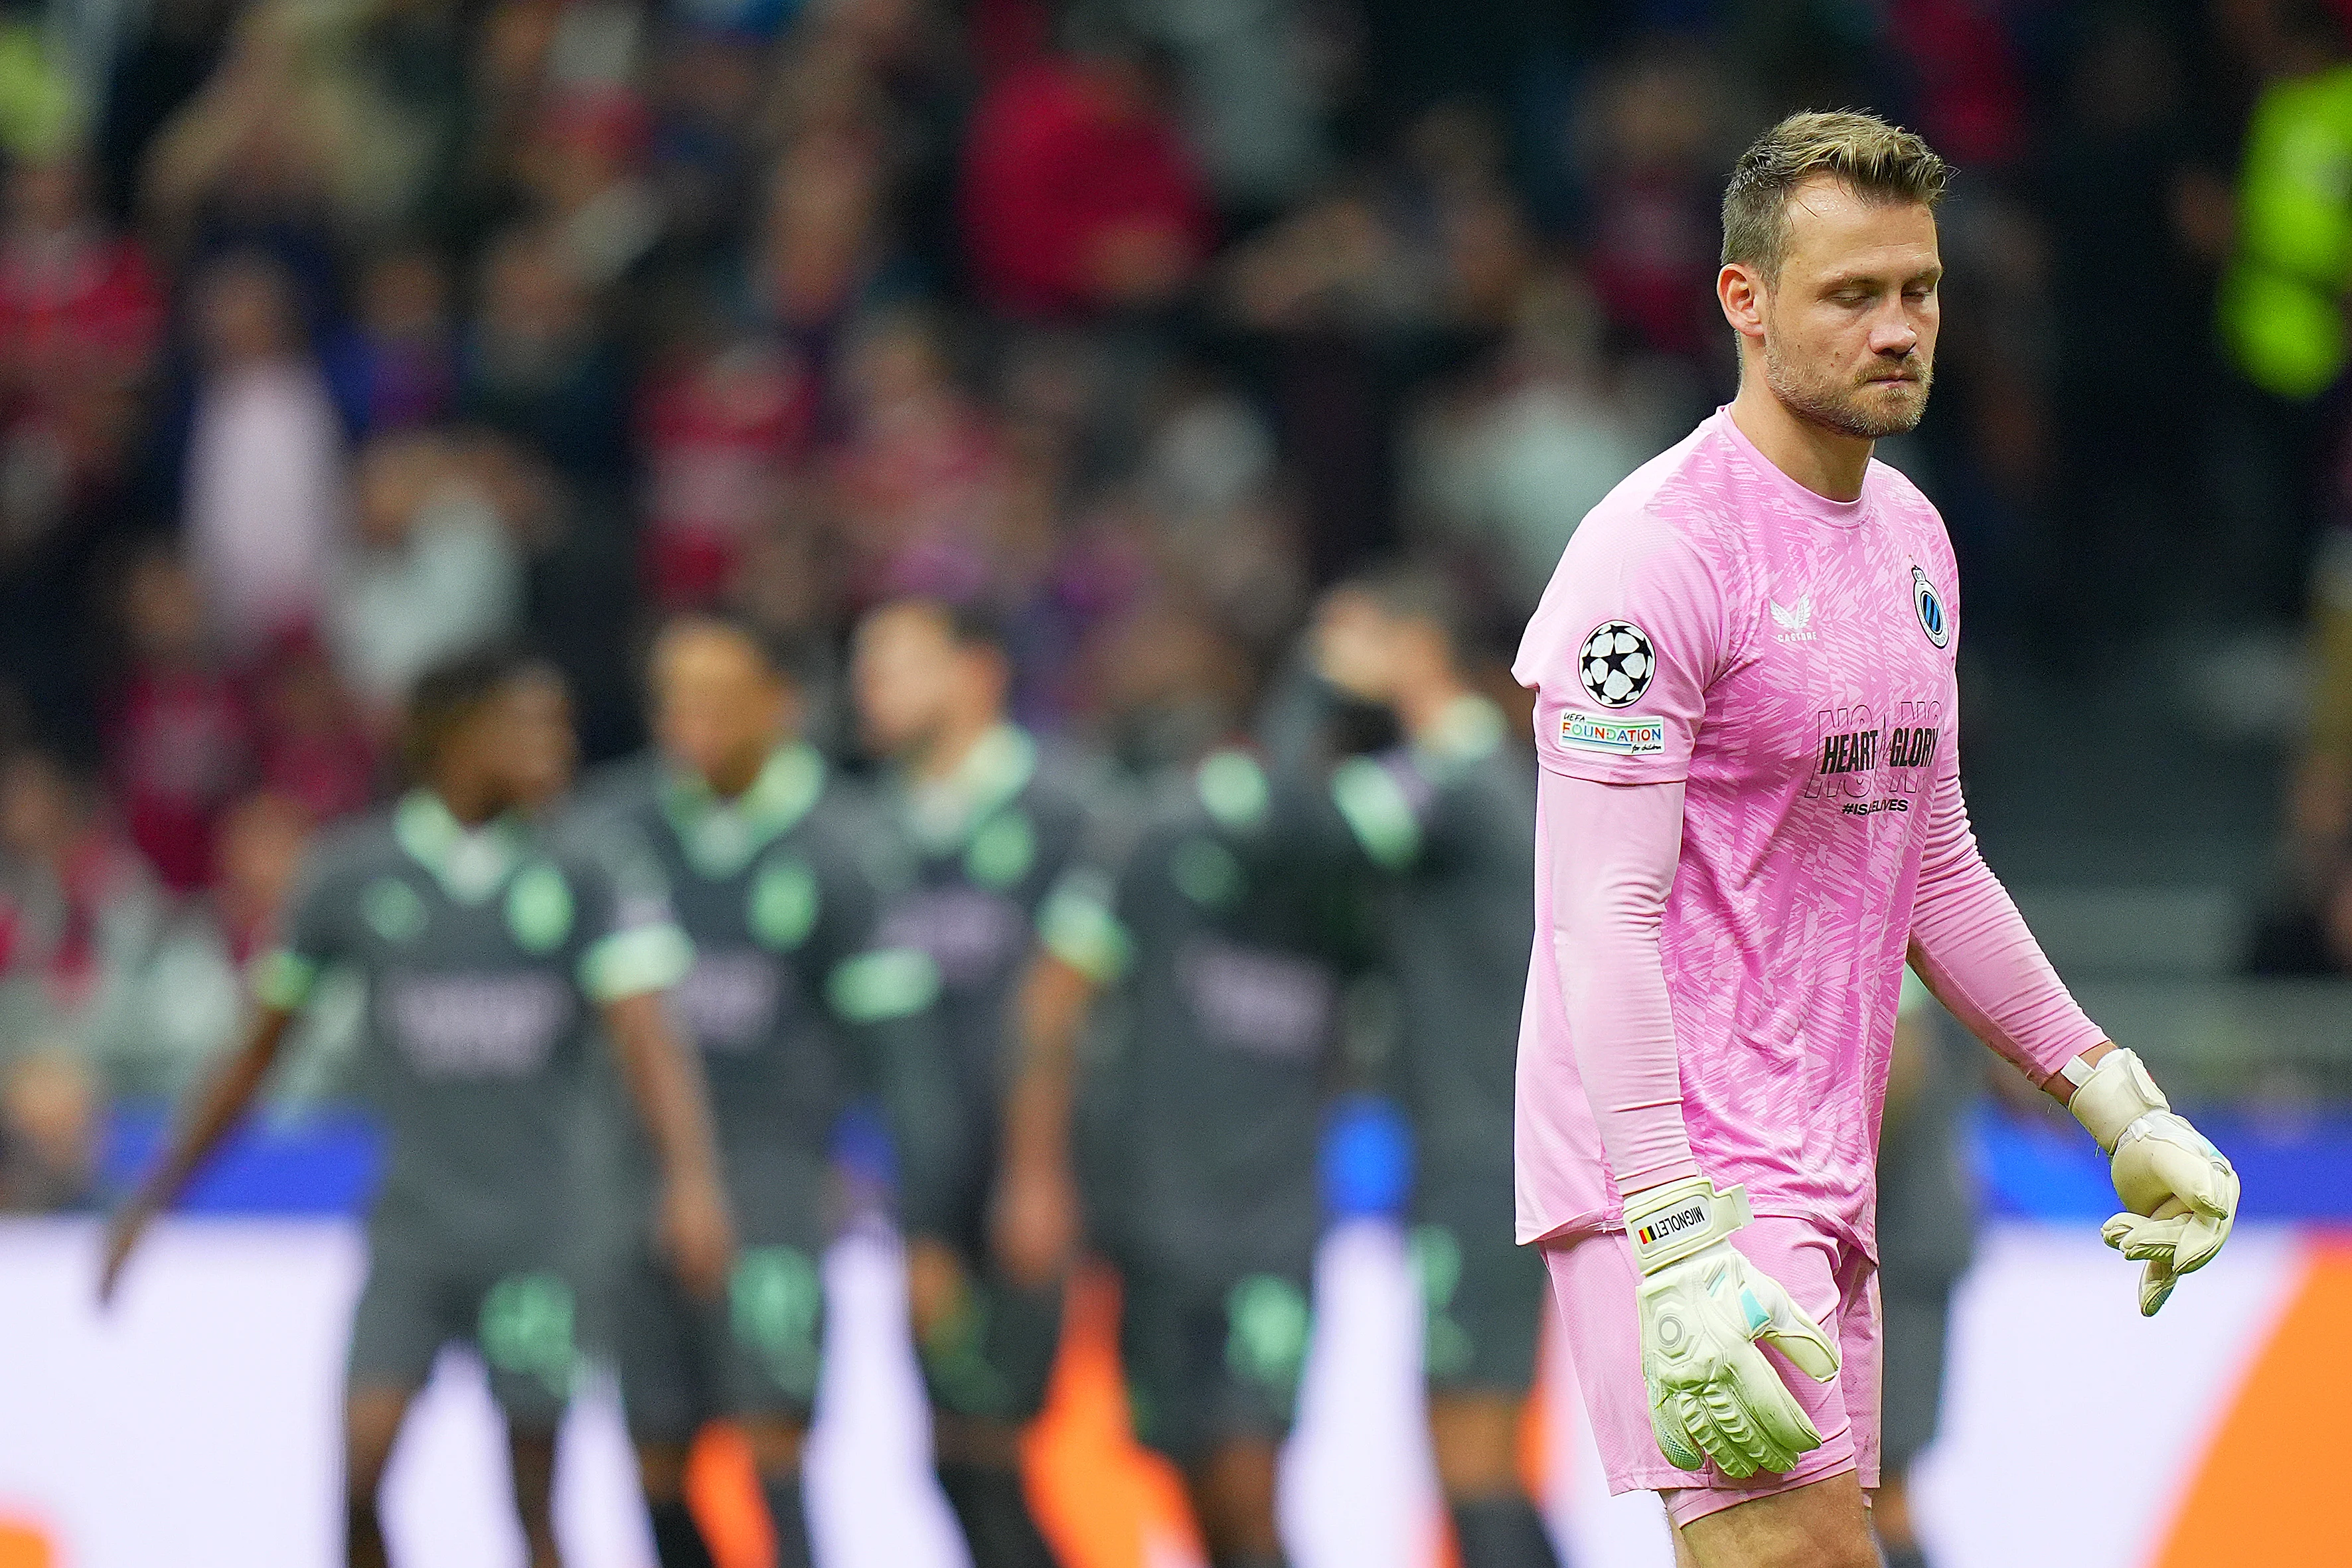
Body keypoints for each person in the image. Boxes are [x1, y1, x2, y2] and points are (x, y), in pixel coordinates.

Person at [1512, 112, 2240, 1568]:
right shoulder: (1651, 554)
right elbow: (1598, 916)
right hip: (1691, 1171)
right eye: (1851, 294)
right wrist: (1667, 1229)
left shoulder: (1911, 535)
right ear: (1744, 299)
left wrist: (2110, 1094)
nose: (1898, 327)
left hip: (1823, 1157)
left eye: (1917, 288)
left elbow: (1933, 858)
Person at [98, 647, 736, 1568]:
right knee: (360, 1470)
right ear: (450, 736)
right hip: (414, 1234)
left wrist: (690, 1180)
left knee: (532, 1494)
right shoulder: (354, 874)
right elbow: (255, 1055)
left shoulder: (585, 869)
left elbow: (651, 1043)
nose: (554, 748)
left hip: (541, 1235)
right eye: (528, 725)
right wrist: (154, 1198)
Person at [584, 614, 962, 1568]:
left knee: (772, 1435)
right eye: (673, 701)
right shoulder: (613, 832)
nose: (690, 725)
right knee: (656, 1453)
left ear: (778, 707)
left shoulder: (844, 845)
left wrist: (924, 1223)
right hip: (633, 1181)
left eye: (717, 700)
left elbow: (901, 1054)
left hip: (777, 1176)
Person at [1009, 616, 1364, 1568]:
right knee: (1187, 1481)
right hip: (1155, 1217)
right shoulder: (1148, 836)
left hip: (1272, 1219)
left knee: (1251, 1487)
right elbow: (1053, 998)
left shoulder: (1350, 860)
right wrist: (1036, 1173)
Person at [1308, 569, 1565, 1568]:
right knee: (1462, 1446)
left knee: (1472, 1450)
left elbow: (1308, 826)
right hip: (1466, 1146)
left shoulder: (1460, 780)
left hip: (1484, 1153)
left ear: (1415, 648)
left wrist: (1308, 693)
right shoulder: (1462, 778)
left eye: (1349, 642)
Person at [849, 597, 1097, 1568]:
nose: (868, 691)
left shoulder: (1066, 811)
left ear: (977, 672)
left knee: (995, 1441)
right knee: (953, 1451)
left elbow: (1078, 1013)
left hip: (1038, 1180)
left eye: (896, 665)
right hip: (928, 1185)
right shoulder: (866, 834)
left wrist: (1042, 1178)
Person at [1869, 971, 1976, 1568]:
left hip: (1896, 1256)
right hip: (1906, 1247)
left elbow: (1900, 1064)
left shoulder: (1881, 944)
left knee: (1883, 1491)